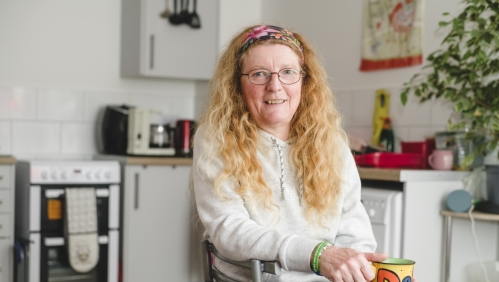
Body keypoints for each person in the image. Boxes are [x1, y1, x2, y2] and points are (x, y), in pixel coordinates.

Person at [192, 24, 386, 282]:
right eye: (259, 74)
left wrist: (361, 272)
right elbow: (230, 231)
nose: (275, 85)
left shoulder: (332, 143)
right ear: (236, 85)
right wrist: (317, 255)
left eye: (288, 72)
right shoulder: (216, 139)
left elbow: (355, 231)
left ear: (305, 81)